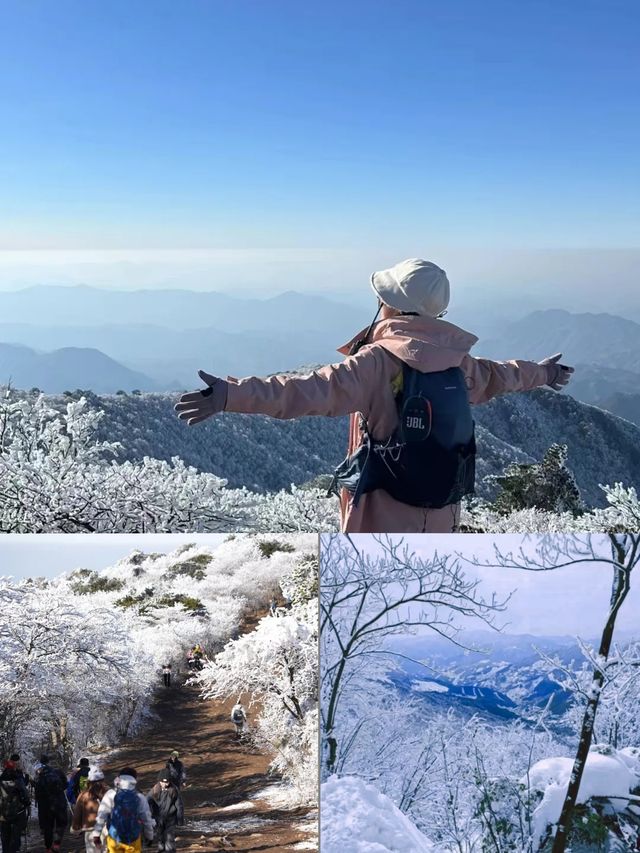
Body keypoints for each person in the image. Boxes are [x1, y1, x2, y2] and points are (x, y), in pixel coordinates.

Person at [175, 257, 575, 533]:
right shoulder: (459, 364)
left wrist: (231, 395)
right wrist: (547, 372)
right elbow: (505, 376)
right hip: (442, 510)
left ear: (389, 304)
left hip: (384, 511)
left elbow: (304, 391)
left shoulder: (377, 363)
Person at [92, 767, 154, 853]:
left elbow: (101, 816)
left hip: (114, 839)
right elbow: (146, 819)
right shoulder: (139, 797)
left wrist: (96, 835)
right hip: (133, 839)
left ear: (119, 778)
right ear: (134, 780)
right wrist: (149, 836)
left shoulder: (110, 794)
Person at [34, 755, 68, 853]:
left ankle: (48, 848)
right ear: (49, 762)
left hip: (45, 805)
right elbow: (65, 785)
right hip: (59, 802)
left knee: (48, 826)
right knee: (61, 823)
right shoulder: (58, 772)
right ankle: (56, 843)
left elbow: (37, 793)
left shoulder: (39, 775)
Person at [71, 767, 108, 853]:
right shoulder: (109, 792)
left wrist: (75, 828)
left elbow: (77, 814)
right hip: (107, 828)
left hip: (90, 830)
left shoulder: (84, 795)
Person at [146, 770, 184, 853]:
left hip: (170, 818)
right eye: (162, 782)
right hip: (158, 818)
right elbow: (147, 801)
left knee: (169, 837)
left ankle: (170, 851)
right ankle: (161, 849)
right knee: (160, 836)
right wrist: (150, 813)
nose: (165, 784)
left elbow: (179, 805)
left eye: (167, 782)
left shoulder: (173, 790)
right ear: (159, 781)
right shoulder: (155, 790)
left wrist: (180, 819)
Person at [0, 761, 30, 853]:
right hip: (18, 812)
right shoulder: (18, 780)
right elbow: (25, 795)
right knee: (16, 835)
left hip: (3, 813)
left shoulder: (0, 780)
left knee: (5, 836)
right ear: (14, 768)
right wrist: (26, 803)